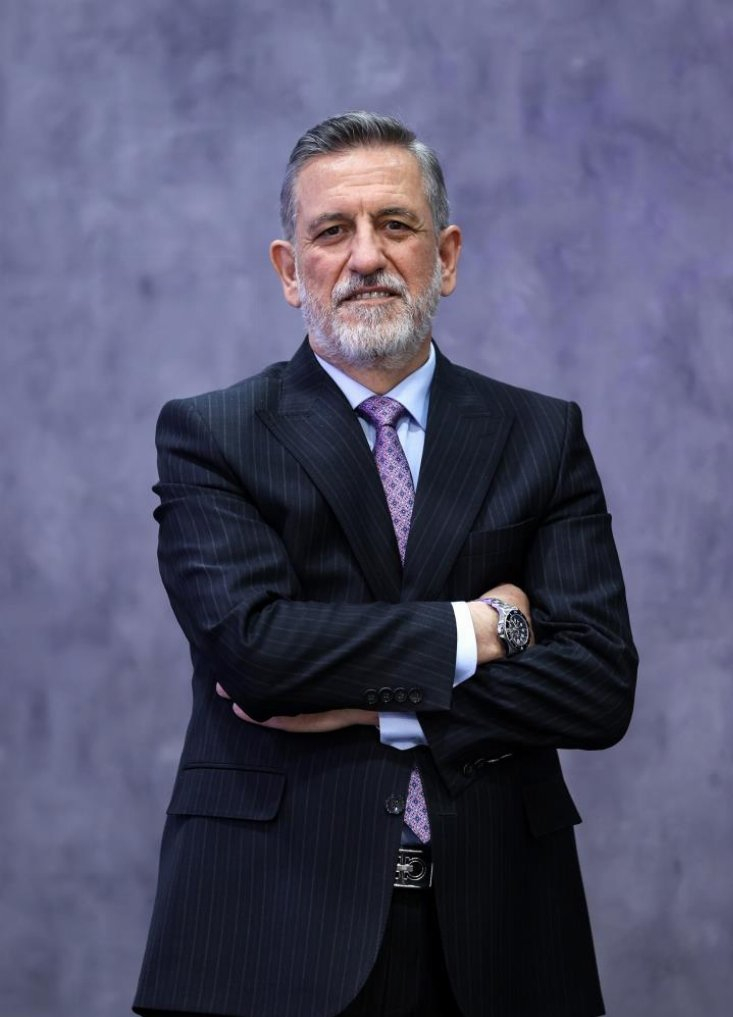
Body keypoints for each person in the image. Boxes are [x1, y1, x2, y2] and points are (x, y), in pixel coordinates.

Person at [133, 111, 637, 1017]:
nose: (366, 255)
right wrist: (479, 628)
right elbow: (257, 655)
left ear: (445, 255)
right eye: (333, 230)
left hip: (505, 942)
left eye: (395, 224)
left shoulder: (542, 434)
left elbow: (599, 686)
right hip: (267, 936)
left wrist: (373, 701)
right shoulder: (211, 435)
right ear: (291, 270)